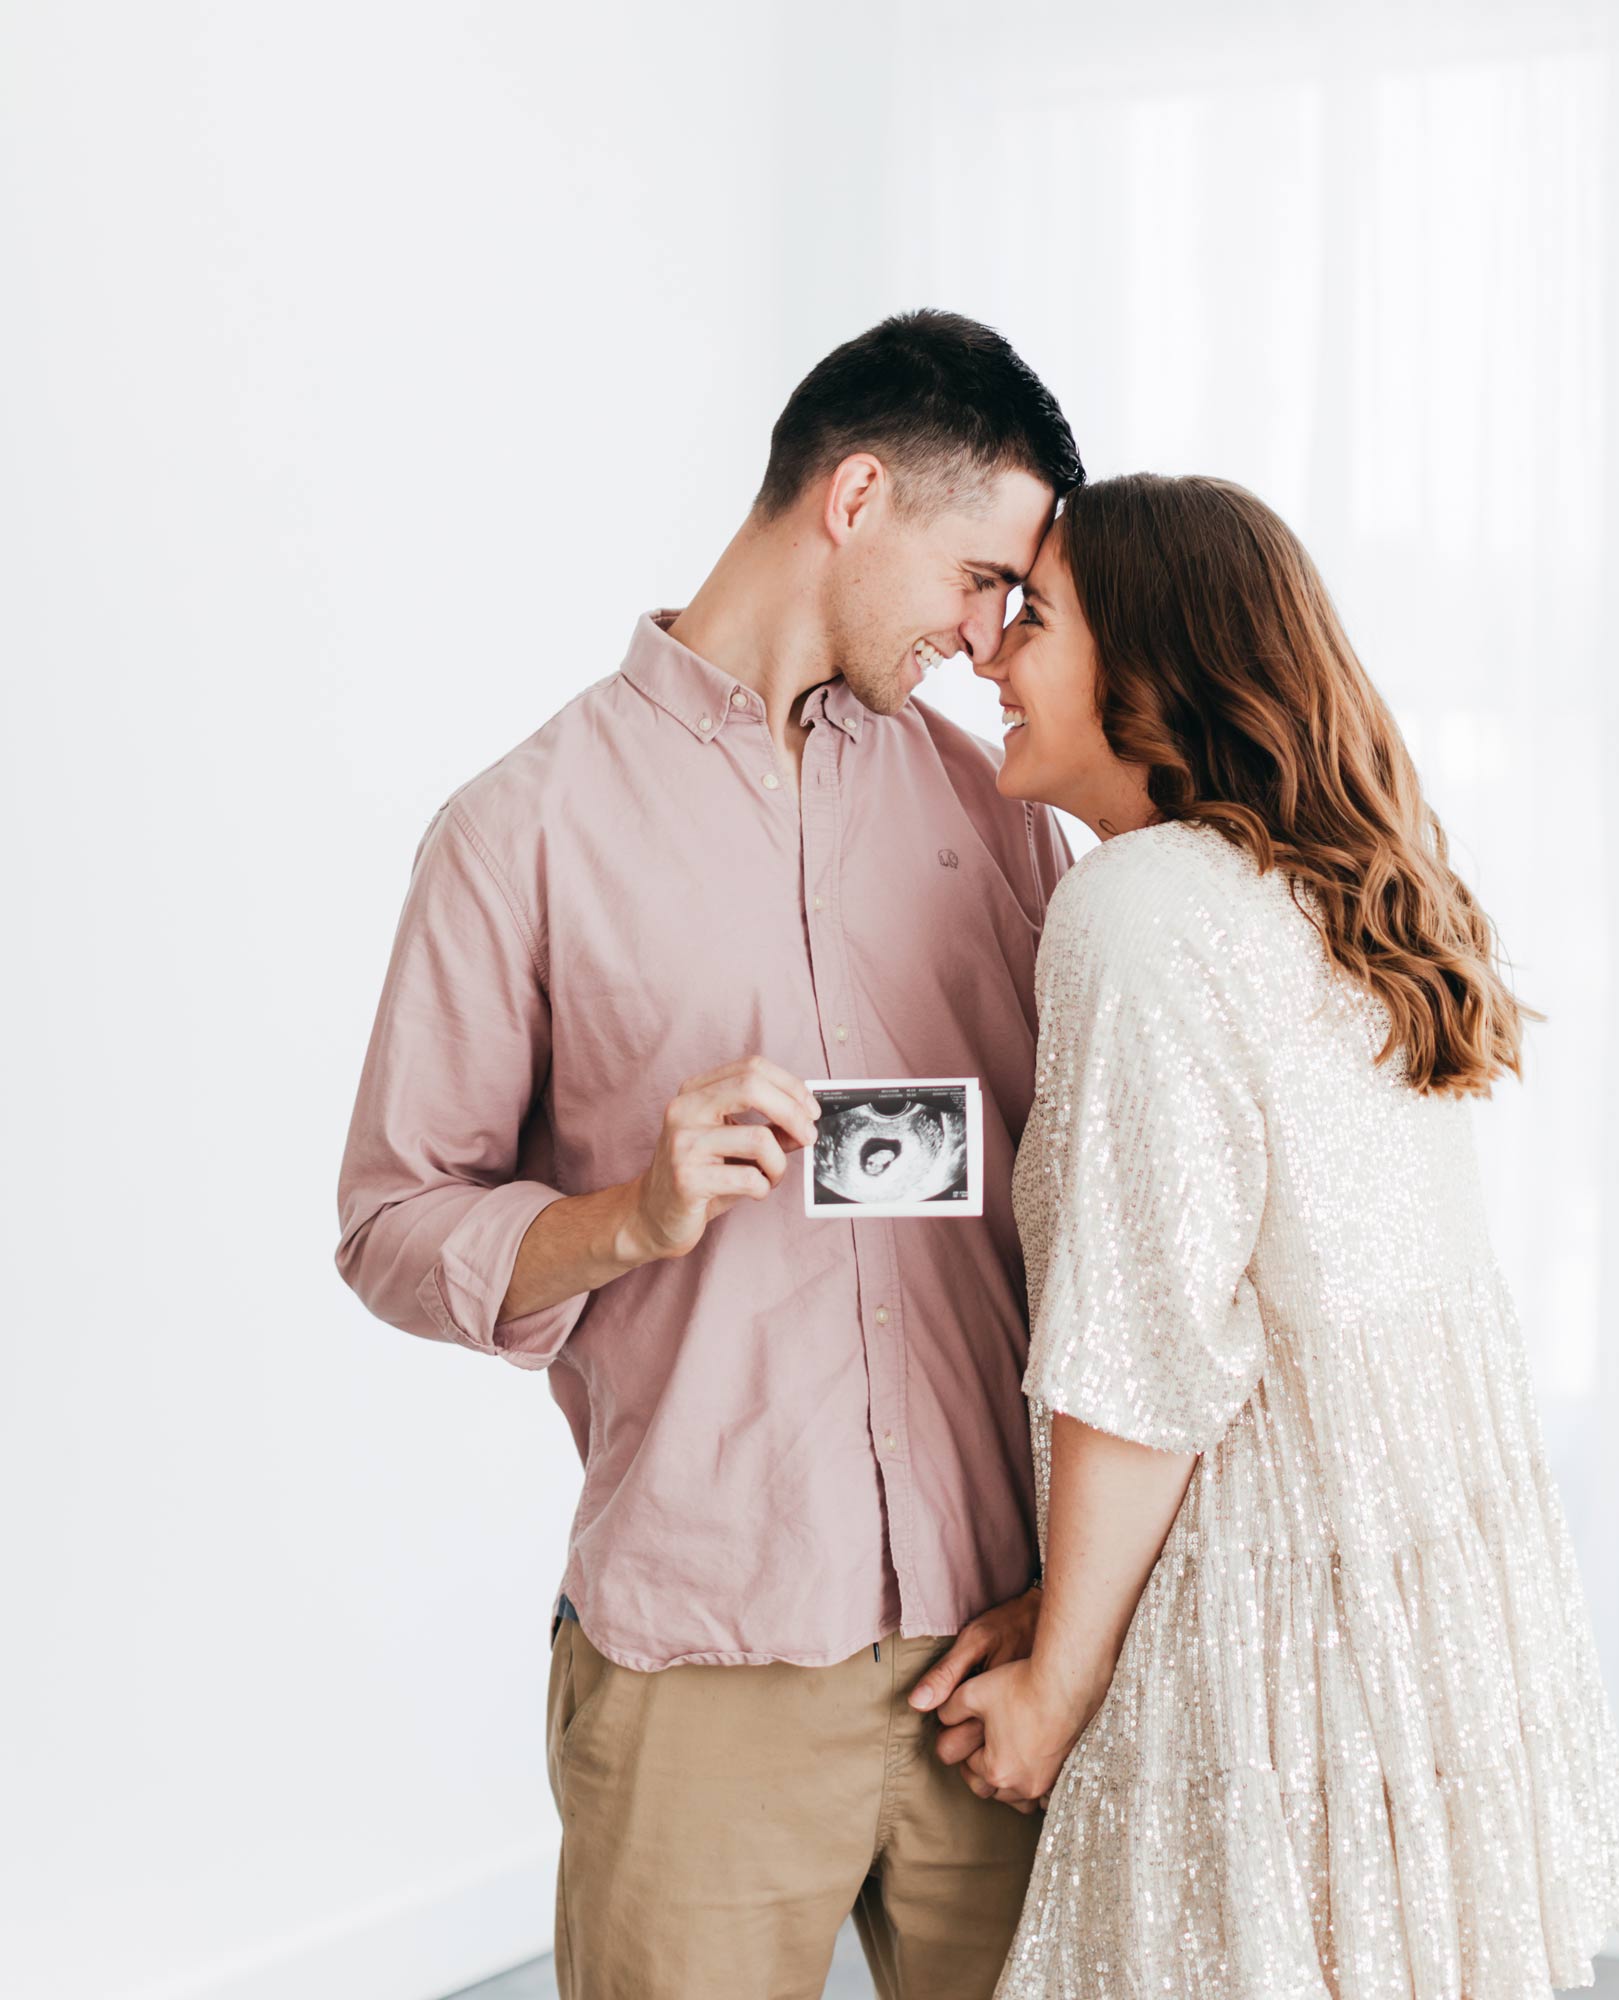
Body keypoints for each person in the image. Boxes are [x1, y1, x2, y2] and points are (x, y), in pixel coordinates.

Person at [333, 310, 1084, 2000]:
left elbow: (1067, 1181)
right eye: (981, 577)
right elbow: (391, 1221)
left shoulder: (992, 807)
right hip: (704, 1673)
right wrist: (627, 1215)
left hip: (995, 1660)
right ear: (859, 495)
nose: (987, 638)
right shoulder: (515, 831)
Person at [919, 475, 1619, 1997]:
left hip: (1266, 1623)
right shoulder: (1339, 903)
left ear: (1152, 668)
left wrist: (1062, 1683)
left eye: (1033, 619)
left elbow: (1144, 1358)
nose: (989, 653)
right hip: (1423, 1607)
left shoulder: (1141, 912)